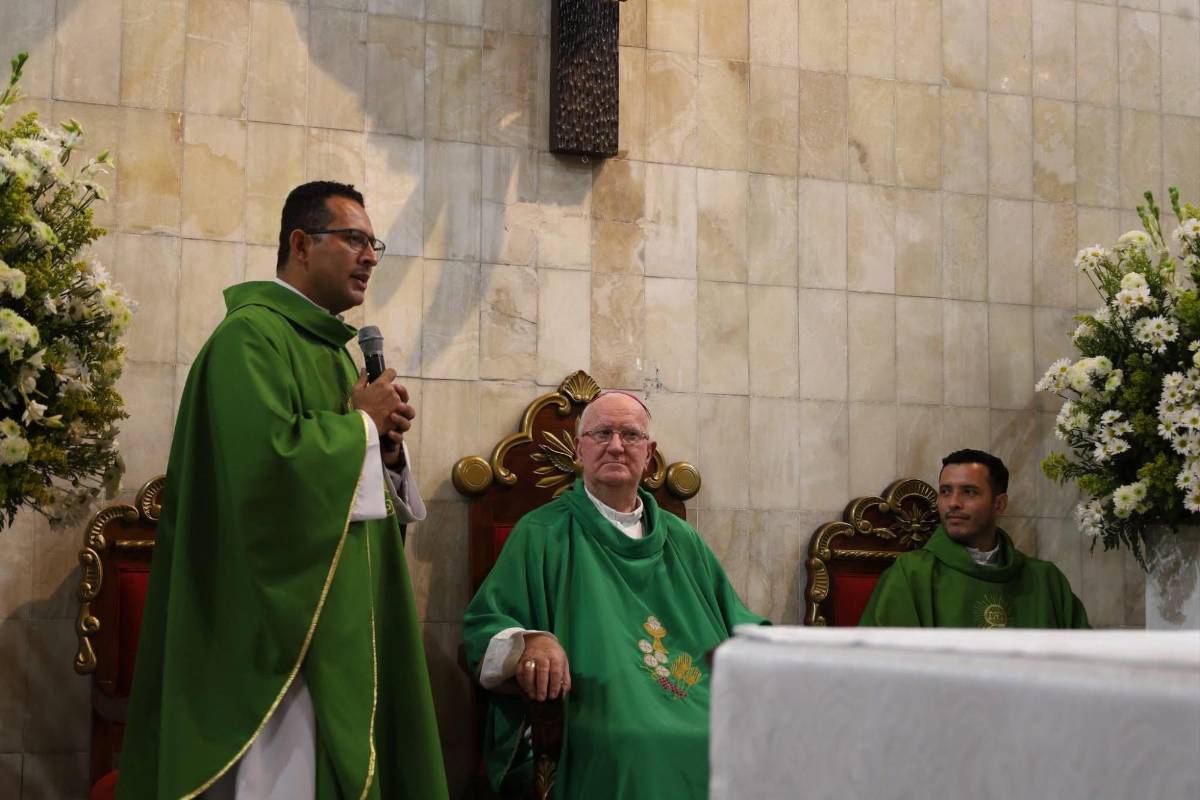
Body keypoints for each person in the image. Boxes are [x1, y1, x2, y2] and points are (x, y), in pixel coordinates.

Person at [119, 182, 449, 799]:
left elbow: (344, 473)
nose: (371, 256)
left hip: (337, 616)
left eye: (373, 243)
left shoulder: (328, 348)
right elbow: (262, 478)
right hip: (276, 632)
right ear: (301, 243)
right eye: (354, 239)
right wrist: (359, 428)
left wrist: (384, 446)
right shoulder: (250, 339)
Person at [463, 390, 767, 799]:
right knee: (635, 743)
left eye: (631, 435)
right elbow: (485, 628)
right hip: (597, 710)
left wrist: (777, 649)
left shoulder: (682, 539)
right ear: (579, 448)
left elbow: (737, 621)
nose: (616, 446)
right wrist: (530, 641)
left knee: (754, 740)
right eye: (601, 433)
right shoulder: (541, 534)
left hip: (698, 702)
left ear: (650, 452)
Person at [860, 448, 1089, 628]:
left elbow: (1086, 666)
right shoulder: (910, 575)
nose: (953, 503)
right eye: (946, 491)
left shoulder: (1046, 580)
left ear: (999, 504)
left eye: (969, 492)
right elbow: (886, 668)